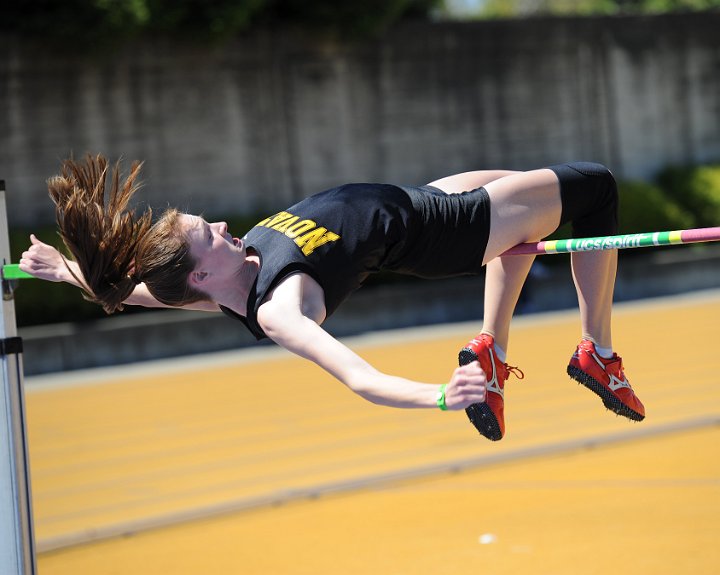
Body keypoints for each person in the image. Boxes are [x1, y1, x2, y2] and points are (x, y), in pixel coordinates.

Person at [20, 154, 645, 441]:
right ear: (204, 278)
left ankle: (491, 350)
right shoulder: (279, 308)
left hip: (416, 199)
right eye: (205, 236)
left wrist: (65, 270)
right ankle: (598, 350)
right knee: (595, 189)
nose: (217, 226)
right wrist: (436, 396)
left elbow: (138, 292)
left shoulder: (219, 282)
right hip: (440, 231)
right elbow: (359, 378)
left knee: (523, 200)